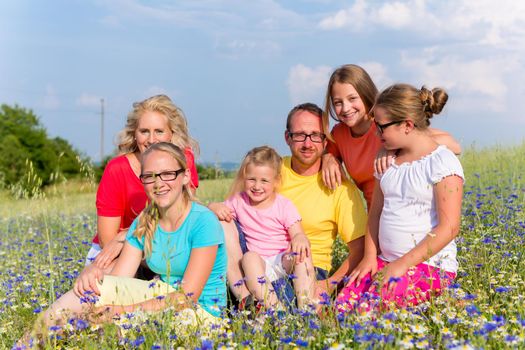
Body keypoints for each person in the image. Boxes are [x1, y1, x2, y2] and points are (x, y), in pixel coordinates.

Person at [37, 143, 227, 330]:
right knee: (89, 293)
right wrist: (93, 273)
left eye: (168, 174)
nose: (159, 183)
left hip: (199, 314)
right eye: (150, 177)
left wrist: (121, 311)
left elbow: (187, 296)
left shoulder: (203, 221)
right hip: (160, 297)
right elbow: (119, 282)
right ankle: (28, 342)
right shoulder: (145, 221)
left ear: (185, 176)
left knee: (118, 325)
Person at [219, 103, 368, 306]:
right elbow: (237, 205)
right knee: (221, 221)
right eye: (299, 135)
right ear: (287, 138)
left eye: (315, 135)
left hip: (304, 267)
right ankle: (244, 297)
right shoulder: (271, 170)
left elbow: (359, 249)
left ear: (325, 141)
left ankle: (265, 310)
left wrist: (329, 284)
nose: (307, 143)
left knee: (289, 317)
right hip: (255, 261)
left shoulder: (339, 187)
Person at [336, 84, 464, 312]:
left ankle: (450, 302)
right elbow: (375, 214)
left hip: (428, 266)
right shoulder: (387, 162)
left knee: (369, 311)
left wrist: (401, 265)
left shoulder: (442, 162)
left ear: (407, 125)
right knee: (341, 309)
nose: (376, 134)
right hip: (384, 261)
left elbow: (450, 227)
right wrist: (369, 257)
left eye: (382, 127)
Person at [321, 64, 462, 210]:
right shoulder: (339, 133)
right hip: (375, 218)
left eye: (352, 98)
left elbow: (453, 145)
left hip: (409, 214)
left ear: (365, 94)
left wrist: (391, 148)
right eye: (338, 102)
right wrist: (328, 158)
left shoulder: (385, 124)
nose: (345, 108)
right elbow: (326, 152)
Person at [86, 94, 200, 271]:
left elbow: (184, 218)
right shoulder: (117, 169)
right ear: (134, 134)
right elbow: (107, 240)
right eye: (144, 131)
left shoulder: (184, 162)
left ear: (172, 134)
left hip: (160, 249)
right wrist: (130, 240)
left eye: (159, 131)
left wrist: (126, 234)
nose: (151, 139)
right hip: (116, 253)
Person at [209, 146, 315, 309]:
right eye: (252, 179)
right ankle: (274, 307)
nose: (257, 186)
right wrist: (214, 207)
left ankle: (307, 305)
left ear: (276, 181)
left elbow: (297, 233)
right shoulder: (239, 201)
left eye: (264, 181)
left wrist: (300, 238)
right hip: (260, 265)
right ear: (244, 177)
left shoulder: (283, 204)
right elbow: (217, 209)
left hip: (282, 260)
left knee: (302, 255)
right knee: (249, 258)